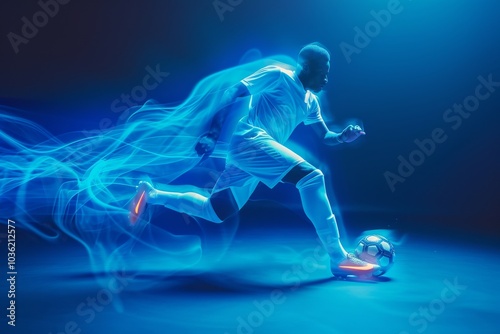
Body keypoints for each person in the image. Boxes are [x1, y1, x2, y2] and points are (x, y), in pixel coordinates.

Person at [130, 42, 379, 277]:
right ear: (305, 67)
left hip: (254, 154)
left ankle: (151, 195)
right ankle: (338, 257)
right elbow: (233, 93)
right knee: (312, 178)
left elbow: (326, 136)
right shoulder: (278, 75)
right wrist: (213, 133)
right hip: (250, 141)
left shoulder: (310, 102)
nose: (326, 79)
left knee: (216, 210)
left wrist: (343, 136)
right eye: (323, 72)